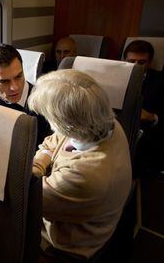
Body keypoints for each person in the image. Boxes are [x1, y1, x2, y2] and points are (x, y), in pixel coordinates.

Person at [27, 70, 132, 260]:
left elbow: (28, 198)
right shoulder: (103, 122)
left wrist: (37, 166)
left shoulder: (86, 175)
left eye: (49, 118)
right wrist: (42, 159)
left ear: (68, 124)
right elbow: (52, 142)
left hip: (64, 248)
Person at [124, 40, 164, 173]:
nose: (135, 66)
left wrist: (153, 117)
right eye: (131, 62)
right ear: (124, 60)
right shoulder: (114, 77)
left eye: (141, 63)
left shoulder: (160, 81)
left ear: (150, 62)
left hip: (146, 134)